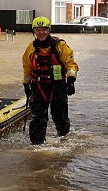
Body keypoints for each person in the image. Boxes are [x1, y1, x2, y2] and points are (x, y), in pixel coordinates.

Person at [22, 16, 79, 145]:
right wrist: (26, 85)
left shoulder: (60, 46)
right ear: (34, 32)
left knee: (60, 117)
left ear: (49, 30)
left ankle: (63, 138)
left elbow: (71, 64)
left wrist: (71, 80)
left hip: (58, 87)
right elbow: (27, 67)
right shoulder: (30, 49)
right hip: (39, 87)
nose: (41, 33)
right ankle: (37, 146)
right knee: (38, 118)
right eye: (38, 30)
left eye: (44, 30)